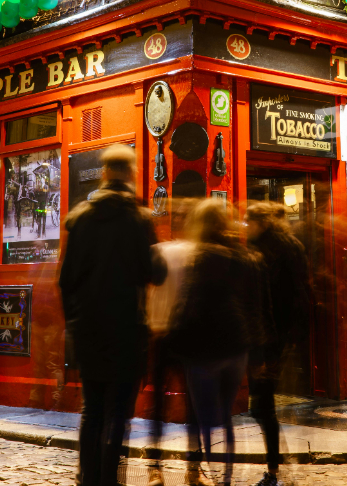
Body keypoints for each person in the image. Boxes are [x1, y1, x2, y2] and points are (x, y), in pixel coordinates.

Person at [59, 145, 163, 486]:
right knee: (118, 412)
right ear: (131, 173)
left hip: (88, 329)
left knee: (92, 409)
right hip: (126, 329)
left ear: (104, 173)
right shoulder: (139, 219)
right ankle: (108, 479)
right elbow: (155, 272)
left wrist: (73, 324)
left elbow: (66, 280)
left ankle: (88, 478)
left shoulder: (81, 218)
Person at [168, 199, 260, 486]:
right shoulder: (241, 255)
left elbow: (191, 301)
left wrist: (176, 336)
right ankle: (226, 476)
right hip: (236, 344)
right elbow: (252, 302)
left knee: (201, 416)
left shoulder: (201, 256)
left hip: (205, 347)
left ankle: (204, 471)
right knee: (226, 414)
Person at [245, 201, 310, 486]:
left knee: (262, 404)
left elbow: (267, 298)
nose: (245, 226)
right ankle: (278, 463)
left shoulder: (262, 250)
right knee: (265, 402)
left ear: (262, 223)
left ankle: (275, 468)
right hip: (281, 333)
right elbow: (301, 288)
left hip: (268, 335)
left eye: (249, 221)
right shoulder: (291, 245)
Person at [145, 201, 198, 486]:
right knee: (163, 405)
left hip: (179, 333)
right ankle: (159, 466)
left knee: (188, 406)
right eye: (175, 215)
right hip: (165, 332)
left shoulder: (195, 253)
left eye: (182, 215)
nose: (178, 219)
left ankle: (190, 468)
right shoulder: (162, 251)